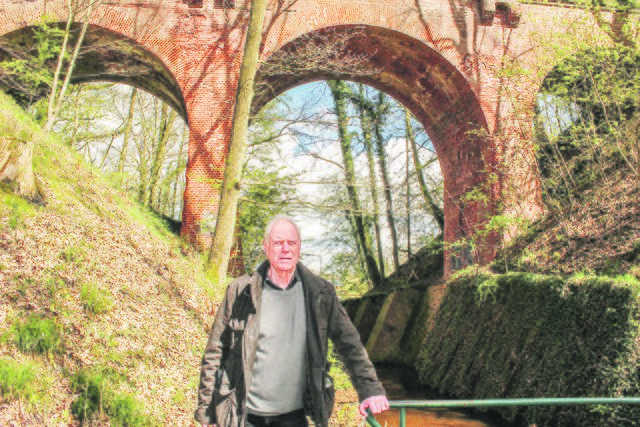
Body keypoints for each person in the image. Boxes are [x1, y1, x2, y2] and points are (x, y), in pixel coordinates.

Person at [195, 216, 389, 427]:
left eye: (291, 243)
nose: (285, 249)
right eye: (278, 243)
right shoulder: (240, 291)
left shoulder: (320, 293)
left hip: (295, 417)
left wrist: (370, 389)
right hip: (243, 416)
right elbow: (216, 350)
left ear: (299, 247)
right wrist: (207, 410)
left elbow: (349, 343)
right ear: (266, 247)